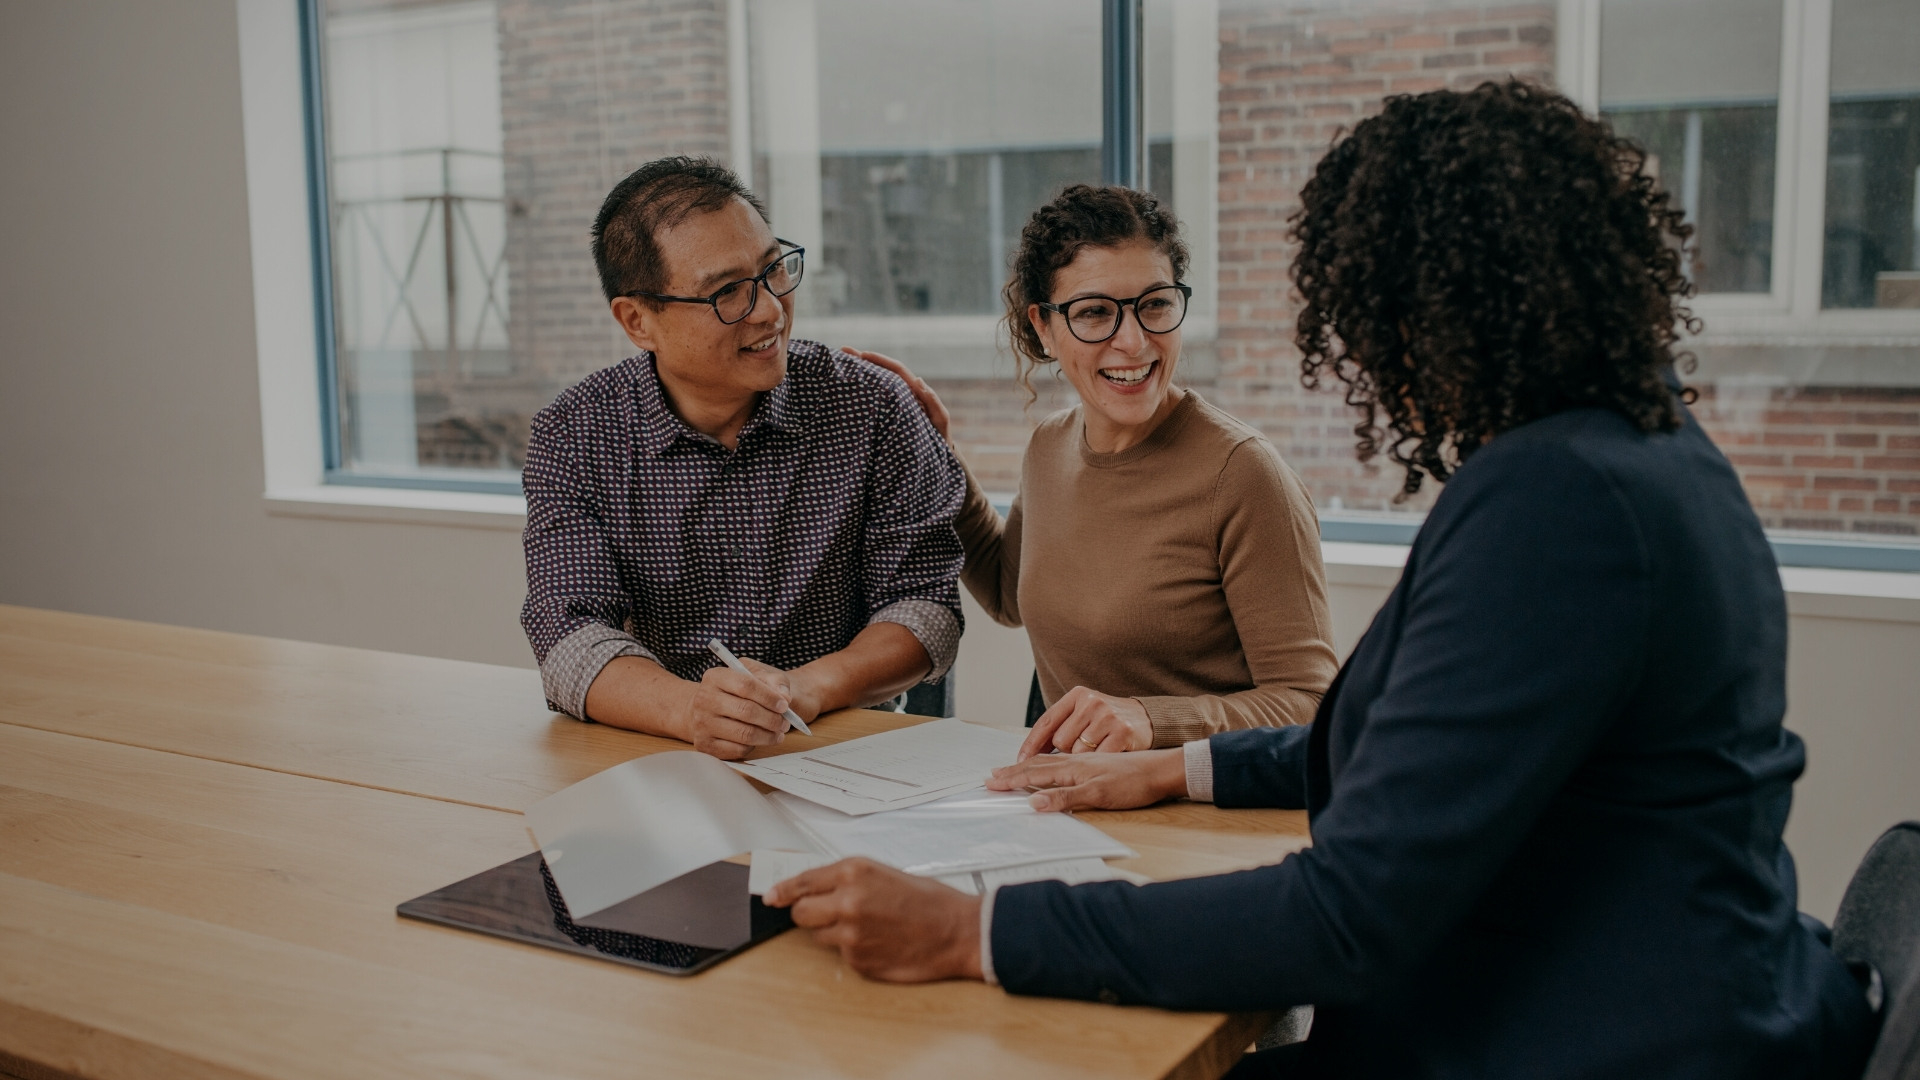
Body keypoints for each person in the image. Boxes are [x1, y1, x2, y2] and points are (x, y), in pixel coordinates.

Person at [768, 82, 1879, 1078]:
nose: (1370, 357)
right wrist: (1176, 770)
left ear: (1438, 311)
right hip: (1628, 989)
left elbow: (1353, 913)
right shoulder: (1631, 454)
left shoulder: (1565, 505)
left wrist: (979, 935)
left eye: (1371, 314)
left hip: (1594, 1033)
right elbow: (1414, 742)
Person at [853, 184, 1338, 757]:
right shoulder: (1049, 445)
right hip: (1078, 796)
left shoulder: (1245, 475)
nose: (1132, 341)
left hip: (1198, 814)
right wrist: (939, 456)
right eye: (1094, 313)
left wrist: (1152, 720)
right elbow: (1010, 596)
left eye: (1155, 303)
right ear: (1044, 328)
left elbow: (1309, 702)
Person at [520, 157, 966, 760]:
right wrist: (691, 711)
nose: (768, 310)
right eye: (726, 291)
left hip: (846, 747)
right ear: (637, 320)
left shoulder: (874, 406)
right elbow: (569, 632)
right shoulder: (574, 434)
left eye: (773, 270)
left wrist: (806, 689)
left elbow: (927, 607)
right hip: (664, 753)